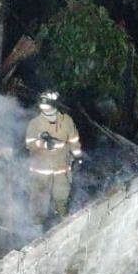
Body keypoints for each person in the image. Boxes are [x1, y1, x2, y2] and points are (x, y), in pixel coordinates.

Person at [25, 91, 82, 224]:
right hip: (40, 170)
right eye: (43, 107)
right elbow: (29, 144)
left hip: (61, 168)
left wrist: (78, 156)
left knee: (61, 196)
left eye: (48, 107)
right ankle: (36, 226)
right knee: (38, 200)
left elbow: (74, 140)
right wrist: (43, 144)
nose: (45, 110)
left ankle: (63, 220)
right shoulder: (35, 123)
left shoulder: (66, 121)